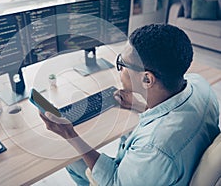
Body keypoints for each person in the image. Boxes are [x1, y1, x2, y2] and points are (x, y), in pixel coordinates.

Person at [39, 24, 220, 185]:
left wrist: (70, 134)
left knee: (71, 159)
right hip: (163, 171)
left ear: (147, 79)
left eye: (122, 64)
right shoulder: (200, 84)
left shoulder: (154, 148)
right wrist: (141, 105)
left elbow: (115, 181)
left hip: (134, 175)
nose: (120, 69)